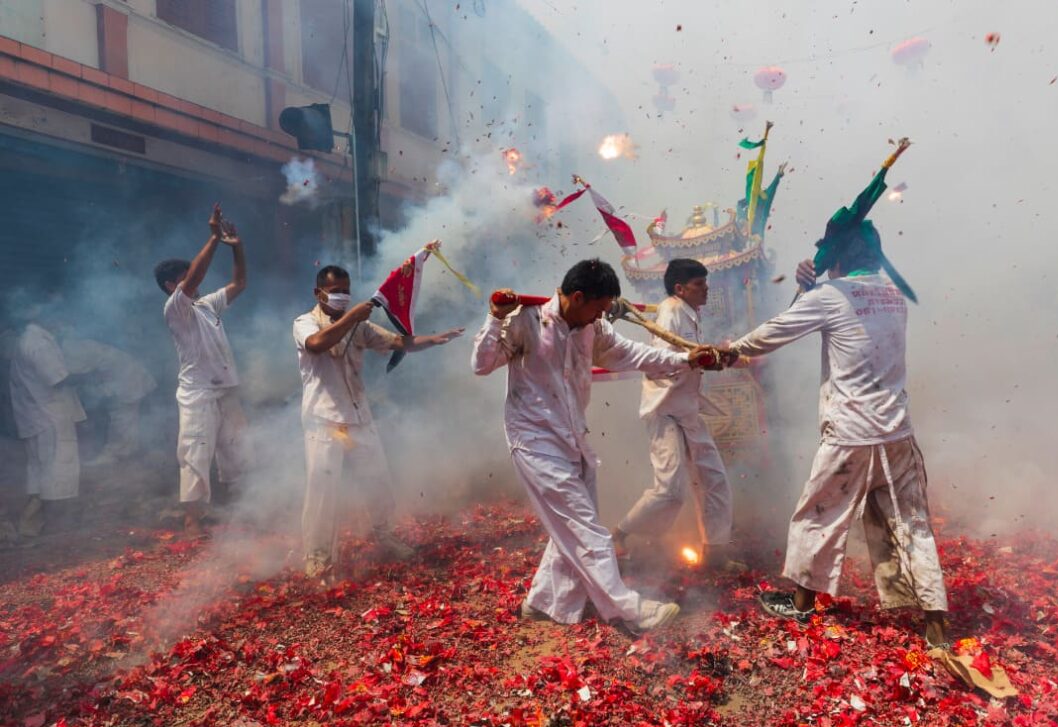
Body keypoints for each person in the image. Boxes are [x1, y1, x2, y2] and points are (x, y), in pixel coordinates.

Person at [471, 258, 720, 633]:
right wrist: (494, 318)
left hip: (573, 437)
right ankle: (627, 610)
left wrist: (686, 359)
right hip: (535, 440)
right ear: (577, 297)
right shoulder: (526, 319)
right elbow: (482, 363)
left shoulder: (592, 328)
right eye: (599, 309)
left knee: (571, 525)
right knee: (587, 529)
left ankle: (543, 603)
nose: (601, 318)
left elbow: (636, 355)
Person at [726, 228, 948, 647]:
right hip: (897, 431)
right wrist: (811, 286)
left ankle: (802, 604)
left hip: (851, 432)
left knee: (818, 516)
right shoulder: (892, 295)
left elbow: (775, 332)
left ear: (838, 257)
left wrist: (727, 352)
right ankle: (937, 622)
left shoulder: (831, 295)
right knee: (912, 523)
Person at [293, 263, 462, 578]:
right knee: (322, 492)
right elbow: (316, 346)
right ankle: (317, 556)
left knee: (378, 481)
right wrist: (351, 316)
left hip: (358, 416)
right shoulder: (304, 323)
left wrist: (434, 339)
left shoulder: (360, 327)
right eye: (335, 292)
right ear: (318, 293)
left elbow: (398, 342)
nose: (342, 296)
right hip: (324, 420)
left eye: (346, 290)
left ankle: (383, 535)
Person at [612, 258, 740, 569]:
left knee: (715, 479)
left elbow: (690, 356)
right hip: (664, 410)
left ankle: (716, 552)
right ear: (680, 288)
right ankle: (619, 534)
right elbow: (663, 358)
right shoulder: (670, 309)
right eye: (699, 284)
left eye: (705, 283)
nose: (706, 289)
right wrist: (696, 359)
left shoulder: (690, 312)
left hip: (688, 410)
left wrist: (714, 357)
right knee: (671, 489)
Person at [154, 204, 247, 535]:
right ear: (170, 285)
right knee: (195, 453)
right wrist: (213, 239)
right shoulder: (175, 308)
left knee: (236, 449)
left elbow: (239, 282)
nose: (192, 281)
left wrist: (236, 247)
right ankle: (192, 520)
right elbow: (196, 277)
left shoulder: (207, 305)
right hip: (198, 393)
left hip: (225, 389)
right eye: (184, 278)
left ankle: (238, 510)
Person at [8, 317, 86, 535]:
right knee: (57, 469)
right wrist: (89, 377)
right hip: (49, 416)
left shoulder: (29, 339)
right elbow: (58, 379)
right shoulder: (38, 343)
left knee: (40, 470)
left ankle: (32, 524)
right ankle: (54, 524)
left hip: (37, 416)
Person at [60, 334, 156, 464]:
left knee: (123, 418)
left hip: (127, 380)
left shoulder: (72, 349)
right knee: (124, 418)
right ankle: (127, 448)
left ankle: (117, 453)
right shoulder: (73, 345)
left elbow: (73, 377)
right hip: (120, 378)